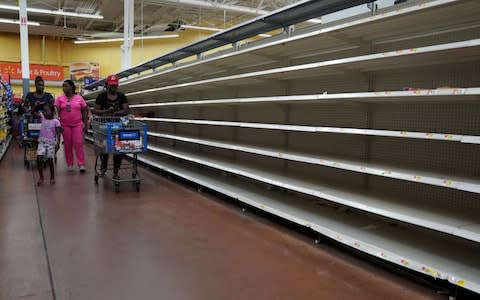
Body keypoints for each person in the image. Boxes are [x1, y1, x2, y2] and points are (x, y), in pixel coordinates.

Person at [93, 74, 129, 178]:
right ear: (106, 85)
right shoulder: (101, 96)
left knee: (118, 150)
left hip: (118, 126)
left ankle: (115, 172)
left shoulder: (121, 96)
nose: (113, 87)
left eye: (115, 85)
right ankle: (103, 166)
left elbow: (126, 110)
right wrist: (106, 111)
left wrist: (115, 113)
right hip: (103, 126)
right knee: (105, 148)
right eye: (111, 85)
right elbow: (95, 110)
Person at [55, 80, 88, 172]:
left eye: (65, 86)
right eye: (63, 86)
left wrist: (86, 123)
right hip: (65, 125)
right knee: (68, 145)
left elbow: (84, 110)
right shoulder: (59, 99)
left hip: (78, 124)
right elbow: (55, 111)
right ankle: (69, 163)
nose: (63, 88)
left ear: (71, 87)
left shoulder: (79, 98)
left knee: (78, 143)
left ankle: (81, 164)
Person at [36, 103, 61, 185]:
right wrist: (36, 106)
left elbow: (58, 134)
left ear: (53, 112)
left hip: (51, 143)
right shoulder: (43, 118)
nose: (44, 113)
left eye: (47, 111)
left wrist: (58, 144)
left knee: (50, 161)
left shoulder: (56, 122)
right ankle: (41, 177)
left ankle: (52, 176)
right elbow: (33, 113)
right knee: (39, 158)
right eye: (44, 111)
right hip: (41, 142)